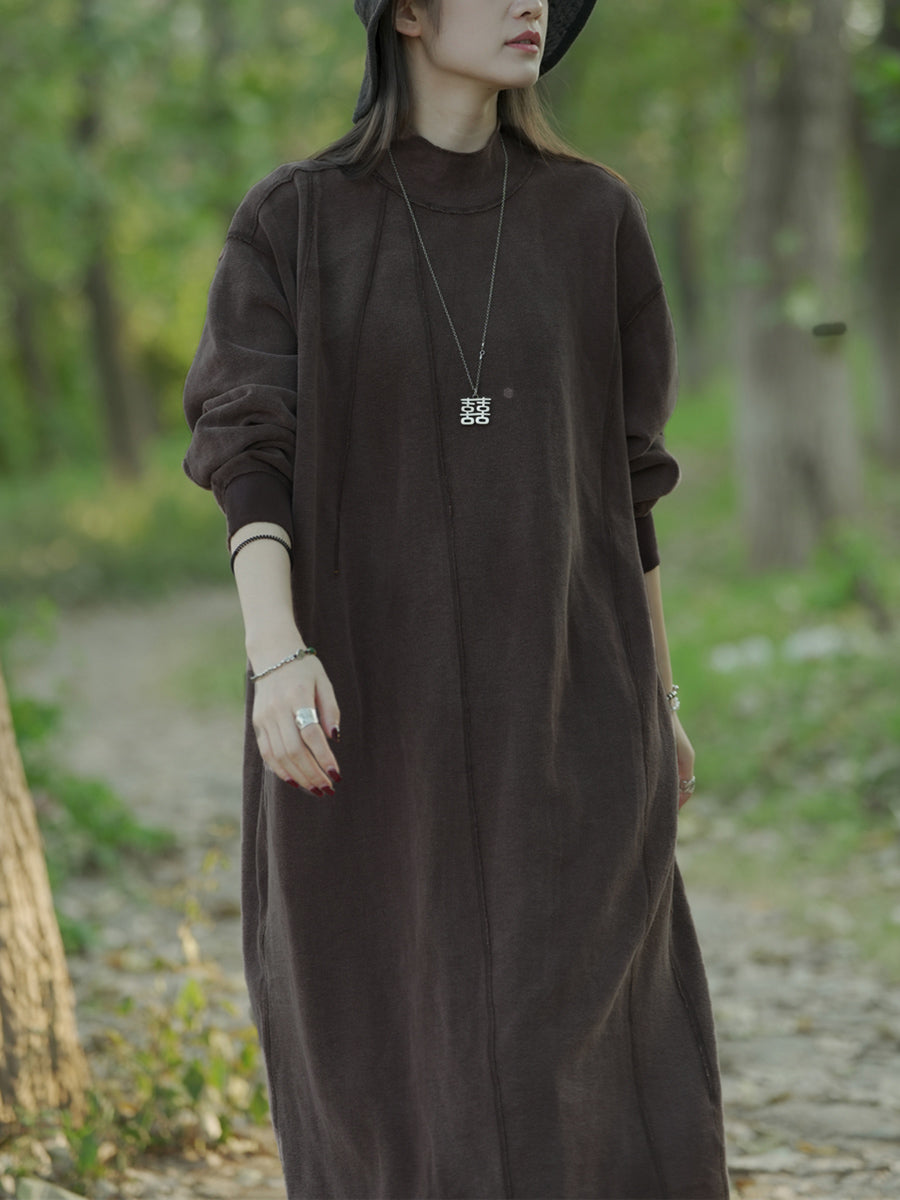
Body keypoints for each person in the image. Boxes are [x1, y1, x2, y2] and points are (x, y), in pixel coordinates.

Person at [183, 1, 729, 1195]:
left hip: (570, 715)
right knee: (389, 1057)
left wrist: (662, 699)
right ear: (409, 12)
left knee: (574, 1070)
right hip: (369, 722)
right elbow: (246, 450)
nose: (531, 3)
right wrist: (276, 656)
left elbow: (627, 486)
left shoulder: (596, 220)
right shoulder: (294, 222)